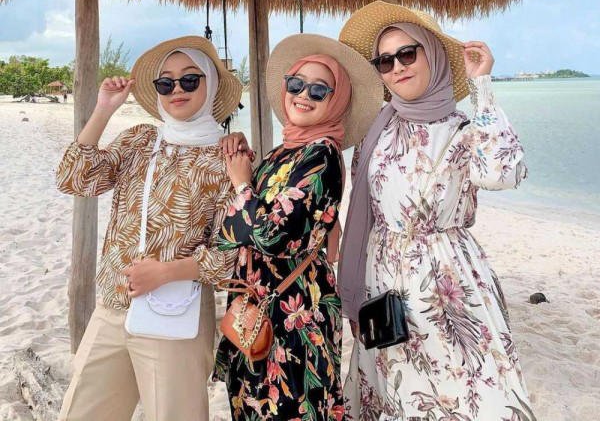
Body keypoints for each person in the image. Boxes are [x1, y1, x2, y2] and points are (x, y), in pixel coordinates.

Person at [338, 2, 536, 421]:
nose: (397, 67)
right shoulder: (376, 129)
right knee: (397, 396)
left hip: (449, 284)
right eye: (385, 61)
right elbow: (363, 208)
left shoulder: (463, 130)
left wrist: (482, 86)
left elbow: (503, 172)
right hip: (383, 285)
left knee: (469, 397)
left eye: (407, 54)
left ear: (433, 55)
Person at [56, 36, 245, 421]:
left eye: (189, 79)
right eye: (165, 82)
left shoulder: (227, 158)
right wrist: (103, 110)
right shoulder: (140, 139)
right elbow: (74, 179)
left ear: (210, 84)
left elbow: (233, 255)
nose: (177, 90)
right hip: (113, 305)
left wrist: (167, 272)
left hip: (177, 313)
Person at [214, 34, 383, 421]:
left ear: (336, 101)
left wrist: (243, 185)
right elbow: (235, 227)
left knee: (291, 407)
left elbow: (271, 236)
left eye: (319, 90)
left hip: (295, 312)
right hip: (257, 304)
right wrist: (244, 165)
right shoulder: (282, 152)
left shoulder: (322, 154)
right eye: (296, 84)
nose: (304, 95)